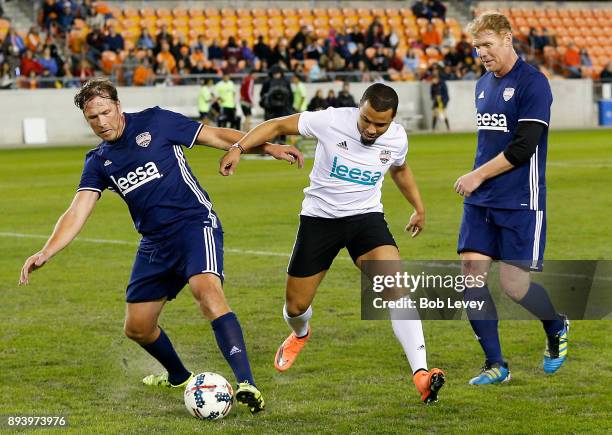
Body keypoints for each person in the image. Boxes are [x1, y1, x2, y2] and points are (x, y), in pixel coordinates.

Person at [19, 78, 304, 414]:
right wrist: (47, 250)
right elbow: (78, 209)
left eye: (106, 112)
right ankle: (180, 377)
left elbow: (214, 135)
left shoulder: (155, 121)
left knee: (208, 293)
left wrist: (267, 147)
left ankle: (247, 383)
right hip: (154, 243)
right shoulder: (98, 160)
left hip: (193, 225)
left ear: (118, 107)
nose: (102, 122)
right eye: (92, 118)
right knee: (137, 327)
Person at [218, 83, 446, 404]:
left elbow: (400, 169)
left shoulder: (397, 138)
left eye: (379, 124)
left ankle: (421, 374)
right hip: (319, 221)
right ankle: (300, 334)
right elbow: (278, 125)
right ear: (359, 108)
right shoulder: (332, 120)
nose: (370, 129)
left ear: (392, 120)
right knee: (296, 306)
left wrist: (419, 208)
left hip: (366, 220)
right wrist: (239, 148)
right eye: (366, 120)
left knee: (395, 286)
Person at [453, 12, 569, 385]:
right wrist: (479, 182)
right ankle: (496, 365)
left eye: (487, 44)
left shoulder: (533, 84)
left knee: (514, 287)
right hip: (481, 202)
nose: (481, 53)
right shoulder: (483, 84)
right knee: (471, 277)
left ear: (507, 38)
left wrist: (476, 175)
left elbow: (523, 148)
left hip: (521, 201)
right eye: (476, 47)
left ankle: (555, 325)